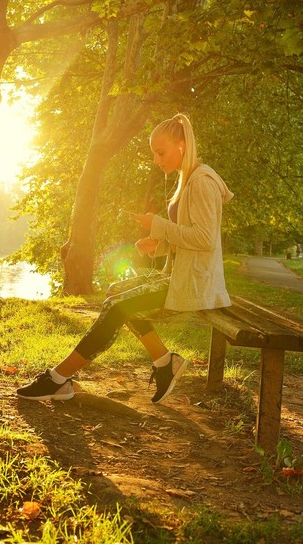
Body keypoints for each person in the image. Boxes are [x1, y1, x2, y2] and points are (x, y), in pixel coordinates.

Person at [17, 113, 233, 404]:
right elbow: (189, 239)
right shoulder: (189, 181)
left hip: (194, 284)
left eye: (161, 152)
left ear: (182, 145)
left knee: (119, 307)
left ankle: (57, 379)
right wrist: (157, 246)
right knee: (115, 292)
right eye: (154, 154)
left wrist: (156, 224)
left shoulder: (202, 182)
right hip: (182, 276)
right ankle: (164, 362)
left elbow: (205, 240)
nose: (157, 161)